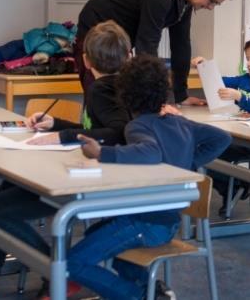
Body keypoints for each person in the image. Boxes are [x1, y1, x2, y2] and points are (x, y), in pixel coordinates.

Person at [0, 21, 132, 299]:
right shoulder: (120, 86)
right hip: (91, 173)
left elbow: (115, 132)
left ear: (85, 60)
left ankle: (56, 273)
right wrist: (56, 124)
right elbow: (96, 129)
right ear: (128, 56)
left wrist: (62, 136)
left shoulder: (101, 89)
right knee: (5, 192)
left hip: (88, 182)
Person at [67, 54, 232, 300]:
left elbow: (150, 152)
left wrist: (102, 152)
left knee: (70, 263)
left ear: (124, 95)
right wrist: (189, 164)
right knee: (96, 236)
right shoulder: (179, 123)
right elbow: (222, 138)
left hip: (146, 221)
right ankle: (150, 290)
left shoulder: (137, 126)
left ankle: (137, 296)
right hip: (164, 220)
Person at [75, 0, 238, 106]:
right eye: (212, 1)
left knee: (121, 103)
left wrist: (180, 95)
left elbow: (181, 45)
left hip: (120, 40)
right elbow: (147, 44)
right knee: (101, 98)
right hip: (96, 33)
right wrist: (157, 103)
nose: (210, 7)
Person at [192, 36, 250, 214]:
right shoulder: (244, 80)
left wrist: (240, 98)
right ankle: (235, 185)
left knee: (212, 153)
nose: (248, 63)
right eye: (247, 59)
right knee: (204, 149)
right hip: (235, 135)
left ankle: (234, 187)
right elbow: (219, 80)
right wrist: (204, 66)